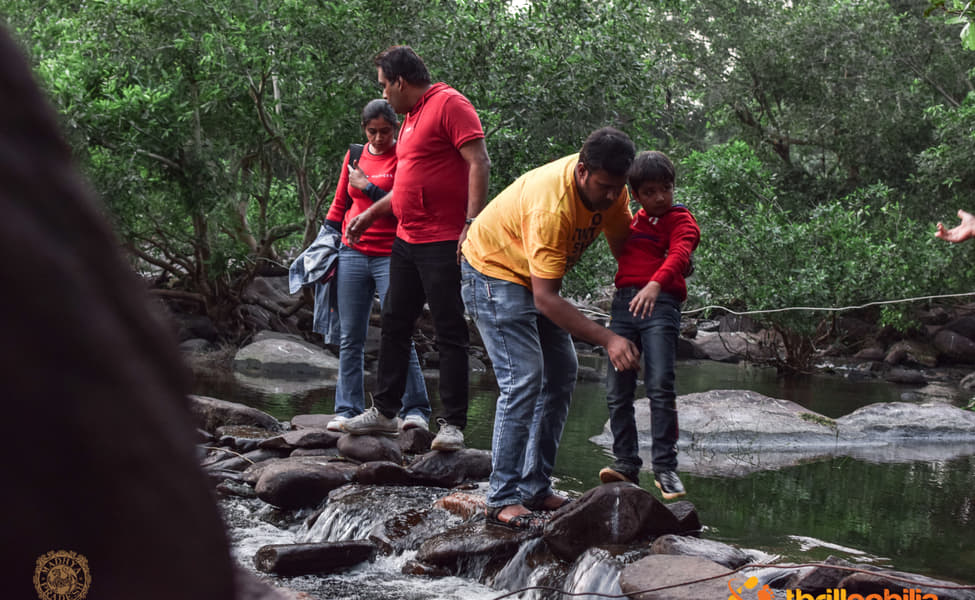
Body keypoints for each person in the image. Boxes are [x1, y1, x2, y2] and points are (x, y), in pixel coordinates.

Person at [460, 127, 642, 529]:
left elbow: (626, 252)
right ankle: (502, 497)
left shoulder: (613, 193)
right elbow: (546, 299)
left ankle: (535, 488)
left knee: (562, 373)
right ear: (582, 171)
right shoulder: (552, 207)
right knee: (524, 377)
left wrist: (659, 281)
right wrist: (609, 339)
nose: (612, 196)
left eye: (619, 188)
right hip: (492, 272)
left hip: (529, 276)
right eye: (604, 187)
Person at [341, 46, 491, 452]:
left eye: (384, 85)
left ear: (400, 81)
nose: (383, 94)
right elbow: (408, 185)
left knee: (448, 329)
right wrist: (370, 214)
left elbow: (479, 161)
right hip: (406, 238)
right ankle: (385, 412)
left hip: (441, 238)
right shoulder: (409, 118)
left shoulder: (450, 104)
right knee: (394, 322)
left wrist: (471, 224)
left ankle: (453, 424)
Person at [597, 151, 700, 500]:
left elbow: (681, 253)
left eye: (666, 188)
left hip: (661, 304)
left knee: (659, 385)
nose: (660, 197)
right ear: (636, 195)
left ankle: (665, 468)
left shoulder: (680, 218)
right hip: (624, 305)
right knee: (618, 389)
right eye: (651, 191)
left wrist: (655, 285)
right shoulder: (633, 221)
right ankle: (626, 463)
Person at [323, 99, 430, 432]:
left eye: (385, 131)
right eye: (373, 131)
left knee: (399, 332)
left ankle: (415, 409)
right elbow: (340, 202)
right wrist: (323, 242)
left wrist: (367, 187)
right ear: (364, 129)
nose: (379, 138)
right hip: (352, 252)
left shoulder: (404, 156)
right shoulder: (355, 155)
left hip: (391, 255)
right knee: (350, 336)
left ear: (395, 128)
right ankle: (347, 409)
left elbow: (403, 204)